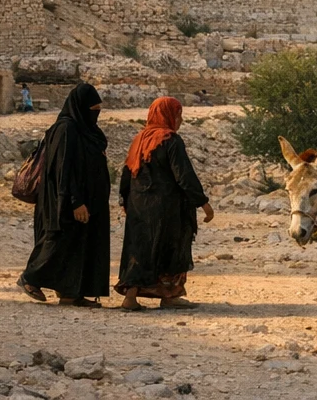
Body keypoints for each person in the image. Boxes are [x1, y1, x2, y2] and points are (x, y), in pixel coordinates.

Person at [116, 97, 214, 311]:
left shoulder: (139, 140)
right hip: (168, 209)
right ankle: (169, 295)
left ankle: (130, 296)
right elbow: (184, 176)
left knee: (139, 249)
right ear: (168, 116)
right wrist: (203, 203)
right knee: (172, 248)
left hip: (139, 207)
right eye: (178, 115)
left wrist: (126, 201)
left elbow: (127, 173)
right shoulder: (170, 140)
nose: (180, 120)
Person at [17, 83, 110, 306]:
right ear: (81, 107)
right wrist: (75, 201)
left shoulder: (86, 130)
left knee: (79, 244)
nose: (96, 113)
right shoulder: (66, 130)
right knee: (58, 241)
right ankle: (30, 278)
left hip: (87, 200)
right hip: (64, 199)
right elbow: (63, 170)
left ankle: (70, 293)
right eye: (93, 109)